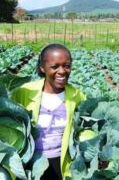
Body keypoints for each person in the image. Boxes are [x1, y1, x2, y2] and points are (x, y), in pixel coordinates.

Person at [11, 43, 86, 180]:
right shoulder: (24, 92)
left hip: (62, 162)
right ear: (42, 68)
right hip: (27, 161)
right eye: (54, 66)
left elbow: (86, 127)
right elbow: (4, 119)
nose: (62, 71)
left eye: (67, 65)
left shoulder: (77, 96)